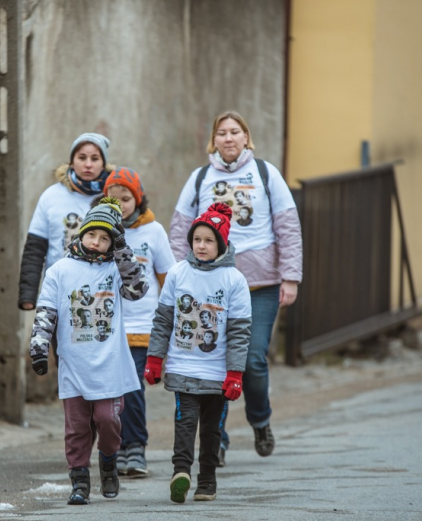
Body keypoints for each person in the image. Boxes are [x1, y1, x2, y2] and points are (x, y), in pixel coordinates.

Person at [169, 110, 303, 466]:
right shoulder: (199, 178)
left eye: (235, 132)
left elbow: (288, 227)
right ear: (214, 140)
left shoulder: (265, 173)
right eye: (222, 133)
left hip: (259, 285)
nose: (228, 138)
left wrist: (290, 277)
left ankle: (260, 420)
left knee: (252, 359)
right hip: (208, 289)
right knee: (214, 364)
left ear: (247, 138)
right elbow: (179, 228)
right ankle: (219, 441)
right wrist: (176, 277)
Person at [29, 196, 149, 506]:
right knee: (77, 427)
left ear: (113, 243)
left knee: (108, 420)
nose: (97, 242)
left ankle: (108, 461)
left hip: (109, 363)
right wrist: (39, 347)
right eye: (92, 234)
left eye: (105, 237)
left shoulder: (115, 269)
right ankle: (79, 481)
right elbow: (46, 311)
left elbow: (137, 290)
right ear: (81, 233)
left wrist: (122, 248)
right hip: (74, 362)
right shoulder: (59, 270)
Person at [145, 202, 251, 503]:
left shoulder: (235, 281)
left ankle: (207, 480)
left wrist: (235, 373)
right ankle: (181, 472)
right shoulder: (178, 273)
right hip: (183, 367)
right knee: (185, 421)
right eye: (197, 239)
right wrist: (155, 358)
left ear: (222, 244)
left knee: (212, 429)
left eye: (209, 240)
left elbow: (239, 332)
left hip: (218, 373)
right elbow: (164, 319)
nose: (201, 246)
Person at [101, 167, 176, 478]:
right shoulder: (98, 231)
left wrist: (169, 323)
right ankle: (115, 448)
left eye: (126, 197)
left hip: (143, 325)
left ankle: (136, 447)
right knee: (111, 391)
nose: (120, 203)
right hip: (109, 327)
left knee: (132, 387)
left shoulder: (153, 231)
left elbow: (168, 278)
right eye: (113, 198)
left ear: (138, 198)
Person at [19, 132, 115, 369]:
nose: (88, 164)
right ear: (72, 162)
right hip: (62, 293)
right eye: (82, 157)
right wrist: (28, 294)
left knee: (101, 364)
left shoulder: (112, 196)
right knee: (67, 362)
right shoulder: (52, 197)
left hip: (103, 295)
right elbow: (35, 247)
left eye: (95, 158)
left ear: (104, 163)